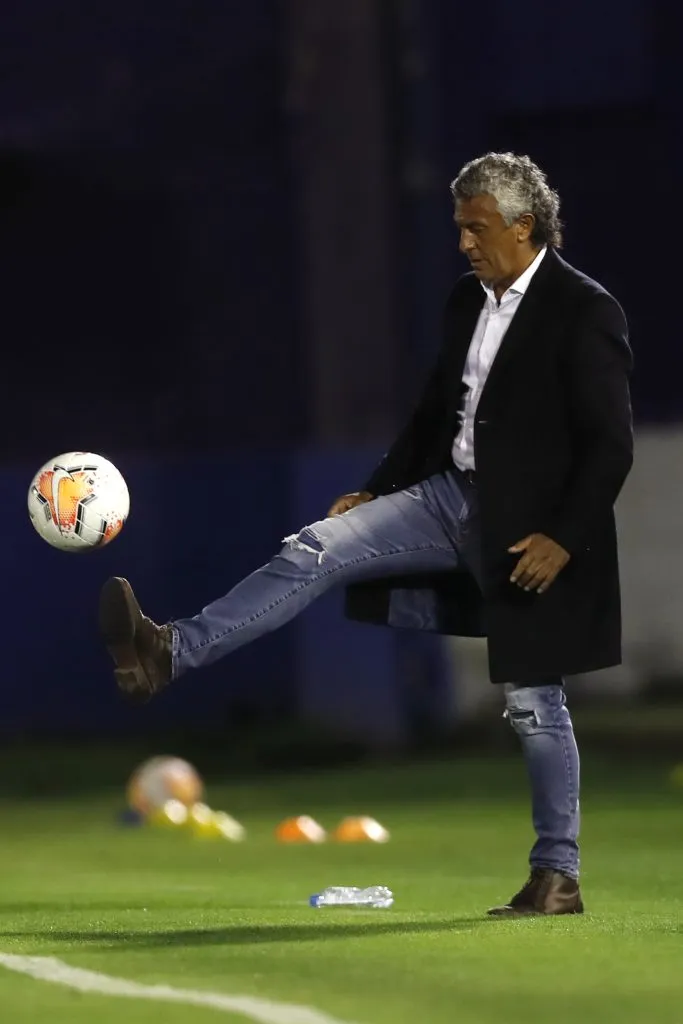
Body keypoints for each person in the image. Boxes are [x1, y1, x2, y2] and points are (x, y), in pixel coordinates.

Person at [100, 152, 633, 917]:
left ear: (523, 226)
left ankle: (557, 875)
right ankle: (167, 652)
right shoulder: (465, 302)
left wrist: (563, 537)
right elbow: (432, 416)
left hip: (529, 533)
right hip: (447, 499)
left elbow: (609, 445)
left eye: (475, 228)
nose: (463, 243)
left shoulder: (585, 311)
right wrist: (378, 491)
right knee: (315, 545)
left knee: (533, 703)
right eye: (458, 228)